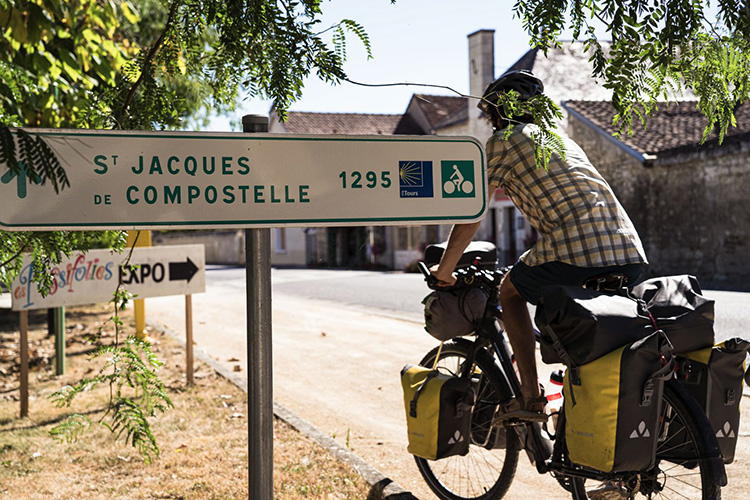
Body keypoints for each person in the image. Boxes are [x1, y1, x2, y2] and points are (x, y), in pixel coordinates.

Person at [431, 70, 648, 422]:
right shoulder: (559, 139)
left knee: (510, 292)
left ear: (499, 112)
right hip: (628, 249)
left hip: (578, 248)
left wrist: (446, 268)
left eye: (491, 116)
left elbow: (473, 212)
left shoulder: (505, 140)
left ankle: (530, 398)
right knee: (596, 335)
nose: (491, 123)